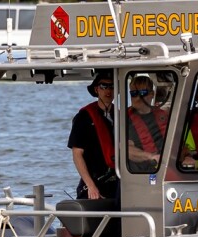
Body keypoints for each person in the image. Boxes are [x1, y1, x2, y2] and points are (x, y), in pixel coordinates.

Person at [68, 70, 118, 199]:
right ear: (96, 89)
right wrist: (90, 186)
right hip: (94, 182)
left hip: (118, 181)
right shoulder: (83, 118)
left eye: (112, 86)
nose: (108, 90)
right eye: (104, 86)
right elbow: (77, 154)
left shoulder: (120, 115)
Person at [125, 74, 169, 173]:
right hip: (140, 175)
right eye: (134, 93)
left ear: (152, 94)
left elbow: (176, 142)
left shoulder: (164, 115)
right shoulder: (124, 119)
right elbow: (127, 149)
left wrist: (186, 156)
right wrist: (151, 156)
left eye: (142, 93)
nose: (137, 98)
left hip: (166, 170)